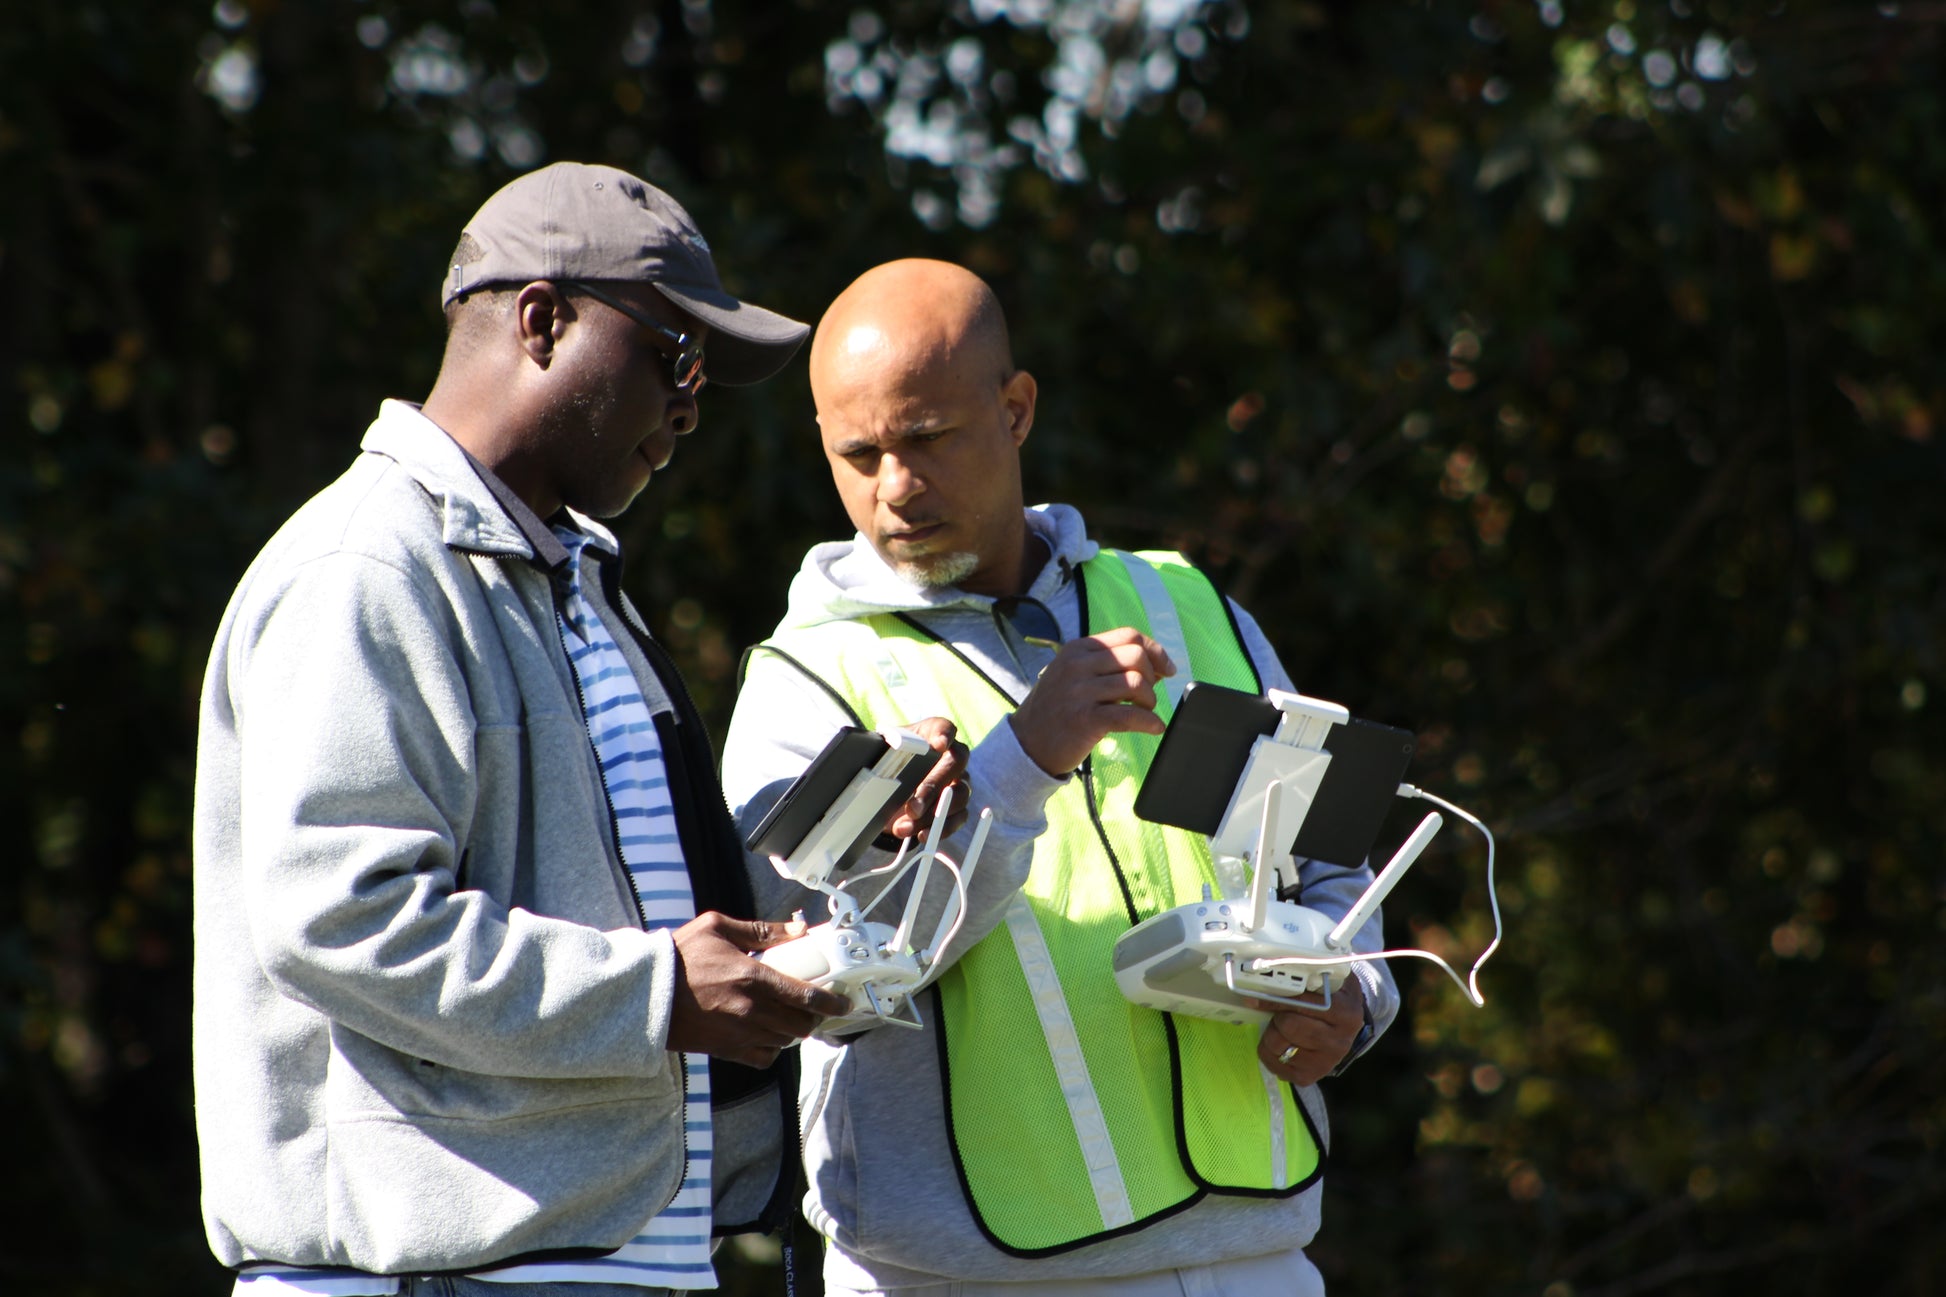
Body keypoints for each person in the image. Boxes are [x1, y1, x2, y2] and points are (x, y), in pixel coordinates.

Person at [191, 165, 965, 1297]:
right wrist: (654, 993)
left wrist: (864, 824)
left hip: (615, 1257)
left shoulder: (574, 579)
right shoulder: (369, 568)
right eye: (675, 357)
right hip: (431, 1273)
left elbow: (649, 902)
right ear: (542, 319)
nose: (690, 407)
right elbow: (342, 919)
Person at [721, 259, 1402, 1297]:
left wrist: (1353, 995)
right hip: (961, 1276)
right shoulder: (804, 676)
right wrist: (1021, 760)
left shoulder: (1182, 602)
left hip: (1251, 1258)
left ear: (1016, 410)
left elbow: (1330, 869)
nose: (894, 486)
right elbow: (809, 983)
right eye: (858, 454)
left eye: (928, 438)